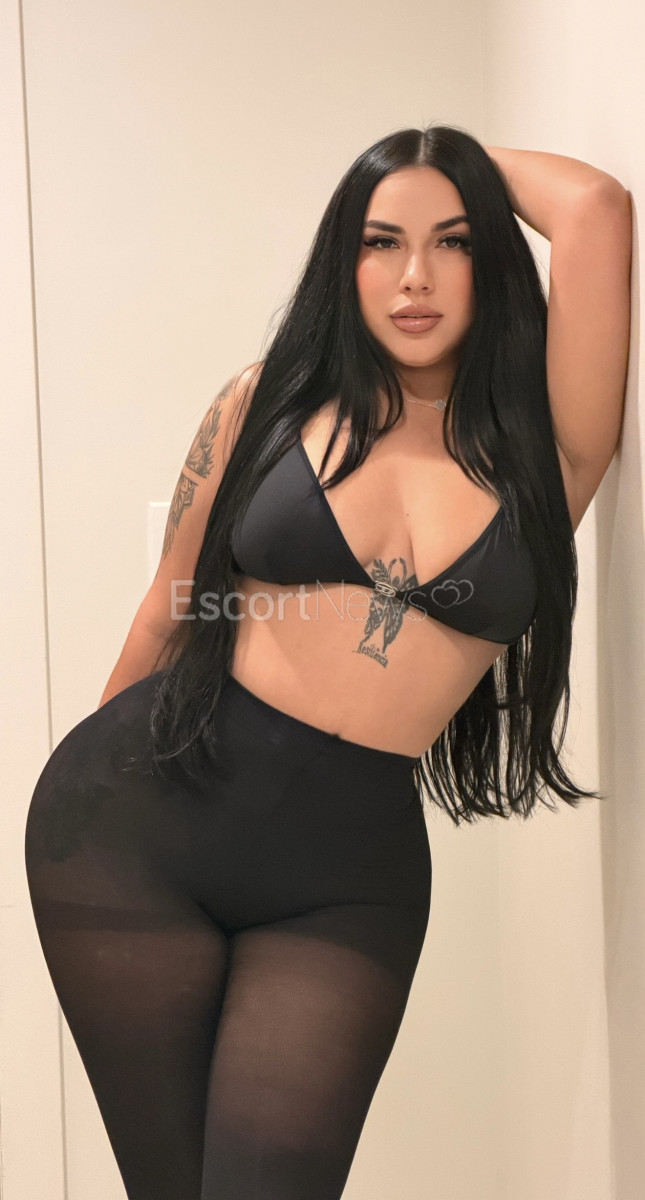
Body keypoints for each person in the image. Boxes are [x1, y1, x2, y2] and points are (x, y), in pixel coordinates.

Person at [24, 124, 631, 1199]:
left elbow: (594, 209)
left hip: (343, 884)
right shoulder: (267, 399)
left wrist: (443, 150)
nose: (414, 276)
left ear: (491, 258)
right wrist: (81, 799)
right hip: (136, 831)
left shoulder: (543, 451)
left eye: (451, 241)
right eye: (380, 240)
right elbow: (169, 608)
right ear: (342, 262)